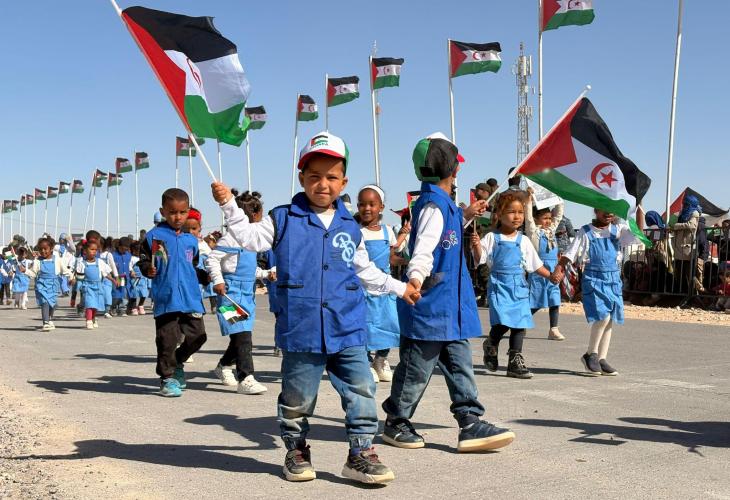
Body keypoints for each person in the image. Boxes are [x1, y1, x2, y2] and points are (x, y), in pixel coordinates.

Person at [211, 131, 419, 485]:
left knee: (362, 388)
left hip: (347, 325)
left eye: (332, 177)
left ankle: (361, 453)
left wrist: (401, 288)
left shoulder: (350, 225)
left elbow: (365, 270)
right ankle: (296, 450)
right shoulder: (282, 218)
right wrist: (230, 204)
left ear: (344, 182)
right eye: (315, 176)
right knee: (297, 396)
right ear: (302, 178)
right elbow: (248, 238)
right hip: (302, 327)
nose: (323, 184)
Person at [381, 132, 516, 453]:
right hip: (430, 304)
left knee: (460, 364)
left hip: (450, 307)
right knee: (416, 369)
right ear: (454, 169)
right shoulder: (434, 206)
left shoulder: (445, 205)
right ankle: (396, 420)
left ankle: (469, 421)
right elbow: (424, 249)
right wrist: (415, 279)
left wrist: (467, 215)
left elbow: (446, 232)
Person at [473, 192, 556, 379]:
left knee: (520, 324)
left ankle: (514, 360)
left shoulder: (524, 240)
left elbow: (535, 265)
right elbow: (480, 259)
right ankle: (491, 343)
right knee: (503, 321)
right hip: (500, 286)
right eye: (512, 212)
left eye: (520, 212)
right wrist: (476, 245)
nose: (517, 216)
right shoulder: (492, 237)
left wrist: (550, 276)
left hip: (519, 287)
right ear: (499, 215)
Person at [138, 188, 209, 398]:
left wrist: (204, 276)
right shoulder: (154, 237)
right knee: (167, 339)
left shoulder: (191, 240)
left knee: (198, 336)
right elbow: (143, 260)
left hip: (190, 297)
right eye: (172, 212)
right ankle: (167, 378)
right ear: (163, 212)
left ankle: (177, 361)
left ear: (188, 212)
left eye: (182, 212)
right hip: (167, 297)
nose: (178, 217)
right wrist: (147, 269)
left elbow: (192, 265)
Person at [554, 209, 643, 376]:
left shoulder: (618, 230)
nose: (608, 212)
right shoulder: (586, 231)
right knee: (603, 317)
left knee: (610, 320)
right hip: (594, 279)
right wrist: (560, 267)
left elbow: (638, 233)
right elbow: (570, 252)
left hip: (613, 279)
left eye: (611, 208)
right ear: (595, 209)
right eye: (604, 208)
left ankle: (601, 358)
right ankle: (590, 354)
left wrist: (639, 208)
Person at [207, 190, 269, 395]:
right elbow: (212, 259)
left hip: (247, 295)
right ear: (253, 214)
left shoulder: (252, 240)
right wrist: (218, 280)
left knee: (239, 337)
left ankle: (223, 366)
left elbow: (250, 269)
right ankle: (246, 378)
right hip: (229, 295)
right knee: (243, 336)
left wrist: (266, 274)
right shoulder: (230, 239)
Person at [356, 184, 408, 383]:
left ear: (381, 207)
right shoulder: (356, 232)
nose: (367, 208)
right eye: (362, 204)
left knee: (389, 325)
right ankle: (365, 363)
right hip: (363, 288)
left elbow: (391, 258)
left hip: (385, 288)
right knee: (366, 327)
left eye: (372, 204)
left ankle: (380, 360)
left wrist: (407, 261)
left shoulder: (387, 232)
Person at [524, 190, 566, 340]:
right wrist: (529, 199)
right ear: (537, 219)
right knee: (535, 301)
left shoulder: (551, 230)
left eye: (549, 218)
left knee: (554, 299)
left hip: (553, 270)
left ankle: (553, 329)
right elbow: (528, 217)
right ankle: (521, 322)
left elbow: (559, 214)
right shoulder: (533, 232)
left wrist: (559, 196)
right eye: (545, 218)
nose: (548, 221)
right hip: (538, 270)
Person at [25, 237, 72, 331]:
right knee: (45, 303)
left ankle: (50, 319)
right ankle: (45, 322)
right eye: (40, 249)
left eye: (45, 248)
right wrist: (25, 271)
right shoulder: (37, 261)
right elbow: (33, 274)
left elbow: (65, 270)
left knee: (52, 304)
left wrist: (71, 277)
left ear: (51, 248)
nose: (43, 251)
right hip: (41, 286)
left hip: (53, 286)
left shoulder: (57, 260)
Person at [75, 240, 114, 329]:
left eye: (95, 250)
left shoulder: (99, 262)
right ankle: (88, 320)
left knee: (95, 305)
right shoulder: (82, 264)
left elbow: (106, 273)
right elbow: (79, 278)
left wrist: (113, 280)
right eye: (92, 249)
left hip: (98, 287)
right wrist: (77, 287)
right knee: (89, 304)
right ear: (85, 251)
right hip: (87, 287)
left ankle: (93, 318)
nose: (94, 252)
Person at [184, 207, 217, 313]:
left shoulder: (197, 245)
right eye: (186, 229)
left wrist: (205, 276)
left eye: (194, 229)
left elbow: (192, 267)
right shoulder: (182, 245)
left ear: (199, 229)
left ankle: (210, 306)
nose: (190, 232)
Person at [670, 195, 701, 293]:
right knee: (679, 273)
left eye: (686, 203)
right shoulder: (681, 213)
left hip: (687, 248)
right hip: (679, 247)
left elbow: (691, 225)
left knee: (689, 274)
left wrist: (676, 226)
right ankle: (681, 293)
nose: (684, 205)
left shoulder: (695, 213)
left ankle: (691, 294)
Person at [127, 241, 150, 315]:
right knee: (134, 293)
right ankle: (134, 308)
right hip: (135, 279)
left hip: (143, 278)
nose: (138, 252)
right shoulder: (132, 258)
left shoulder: (143, 257)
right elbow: (129, 266)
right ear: (133, 250)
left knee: (144, 293)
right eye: (136, 251)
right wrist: (131, 271)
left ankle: (141, 305)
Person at [111, 237, 132, 316]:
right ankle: (113, 307)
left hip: (125, 277)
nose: (124, 251)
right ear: (119, 246)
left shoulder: (128, 255)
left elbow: (129, 265)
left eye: (126, 249)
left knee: (125, 294)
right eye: (123, 249)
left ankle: (122, 309)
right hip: (117, 277)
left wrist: (132, 271)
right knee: (116, 294)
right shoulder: (113, 255)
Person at [99, 237, 119, 318]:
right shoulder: (95, 254)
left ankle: (107, 310)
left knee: (107, 294)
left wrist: (116, 277)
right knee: (99, 294)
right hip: (97, 278)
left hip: (107, 278)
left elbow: (113, 266)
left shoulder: (108, 254)